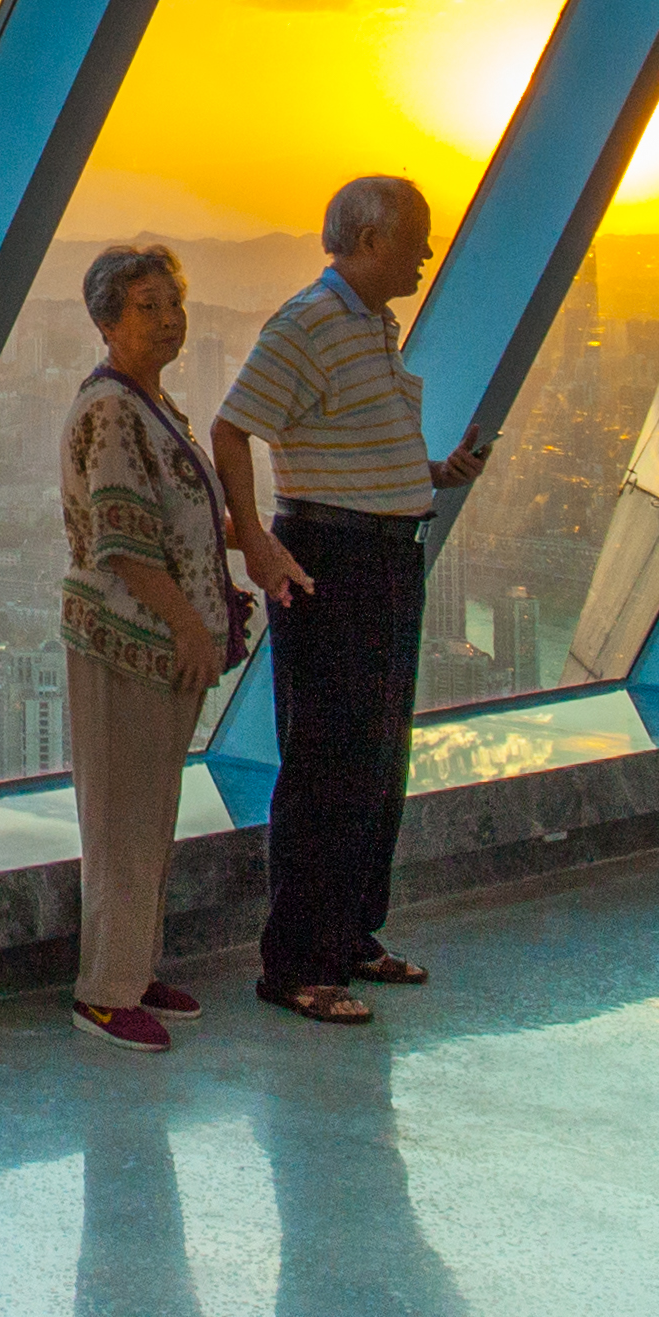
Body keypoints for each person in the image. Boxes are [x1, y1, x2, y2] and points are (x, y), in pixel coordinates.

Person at [212, 175, 486, 1025]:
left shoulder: (372, 325)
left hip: (387, 556)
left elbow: (348, 435)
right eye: (416, 239)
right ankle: (293, 962)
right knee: (327, 761)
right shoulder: (306, 323)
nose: (427, 255)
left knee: (377, 757)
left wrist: (431, 474)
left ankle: (352, 935)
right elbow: (233, 426)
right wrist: (256, 540)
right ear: (369, 241)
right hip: (330, 559)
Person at [59, 242, 233, 1052]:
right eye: (146, 306)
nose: (168, 319)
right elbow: (125, 542)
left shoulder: (153, 403)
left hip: (157, 644)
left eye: (173, 302)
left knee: (151, 813)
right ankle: (104, 988)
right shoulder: (112, 411)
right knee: (122, 818)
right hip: (126, 641)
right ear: (105, 321)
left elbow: (179, 521)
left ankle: (135, 966)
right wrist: (192, 626)